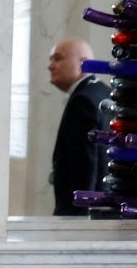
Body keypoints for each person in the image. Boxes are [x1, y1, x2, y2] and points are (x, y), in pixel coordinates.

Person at [47, 37, 110, 216]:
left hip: (83, 215)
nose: (50, 66)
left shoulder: (83, 101)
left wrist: (75, 218)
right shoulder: (103, 93)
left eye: (58, 58)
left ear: (83, 63)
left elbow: (84, 167)